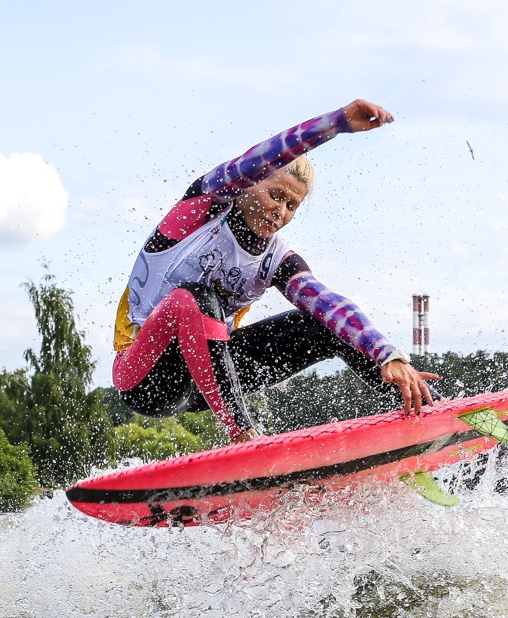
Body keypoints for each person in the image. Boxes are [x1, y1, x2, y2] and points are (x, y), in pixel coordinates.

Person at [112, 100, 439, 443]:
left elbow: (329, 303)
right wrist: (336, 123)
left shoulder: (278, 259)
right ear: (249, 185)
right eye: (276, 195)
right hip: (147, 378)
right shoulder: (199, 211)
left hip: (210, 380)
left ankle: (423, 413)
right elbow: (259, 158)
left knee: (321, 324)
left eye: (291, 205)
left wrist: (387, 354)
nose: (280, 211)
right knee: (194, 298)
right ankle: (243, 435)